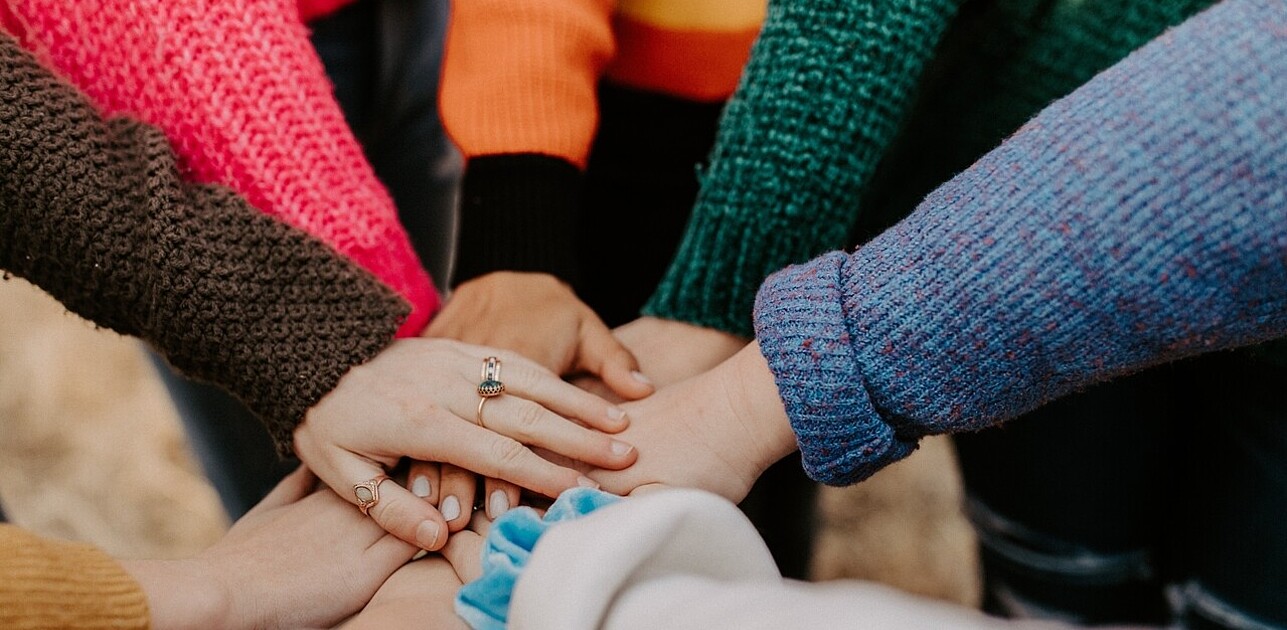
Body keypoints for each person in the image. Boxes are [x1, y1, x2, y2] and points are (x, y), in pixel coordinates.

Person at [563, 1, 1284, 627]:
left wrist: (757, 392)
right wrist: (712, 304)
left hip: (1014, 264)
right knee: (1054, 578)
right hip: (1023, 248)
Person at [0, 25, 633, 557]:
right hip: (183, 88)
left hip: (428, 30)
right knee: (341, 528)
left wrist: (513, 240)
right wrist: (305, 332)